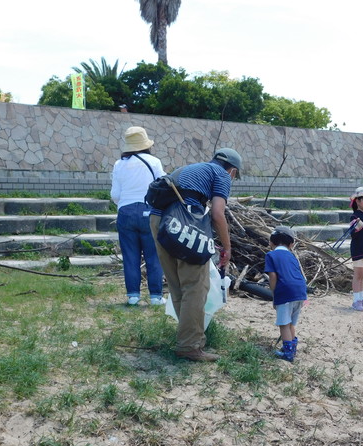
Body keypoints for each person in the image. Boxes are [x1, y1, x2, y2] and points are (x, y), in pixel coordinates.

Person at [150, 147, 242, 362]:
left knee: (177, 283)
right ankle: (190, 346)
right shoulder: (222, 175)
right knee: (195, 286)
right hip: (182, 222)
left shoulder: (189, 169)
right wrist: (227, 248)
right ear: (233, 171)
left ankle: (186, 339)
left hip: (157, 221)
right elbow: (218, 213)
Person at [110, 126, 166, 307]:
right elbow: (164, 187)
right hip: (148, 211)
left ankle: (133, 296)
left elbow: (115, 195)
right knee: (153, 256)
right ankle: (156, 296)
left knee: (130, 256)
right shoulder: (154, 162)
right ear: (145, 143)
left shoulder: (119, 165)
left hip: (125, 212)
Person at [264, 226, 308, 362]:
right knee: (291, 324)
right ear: (291, 244)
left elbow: (272, 276)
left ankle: (288, 353)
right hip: (300, 291)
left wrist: (274, 294)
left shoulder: (271, 255)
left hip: (285, 292)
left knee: (284, 324)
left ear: (271, 242)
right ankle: (292, 347)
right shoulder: (292, 256)